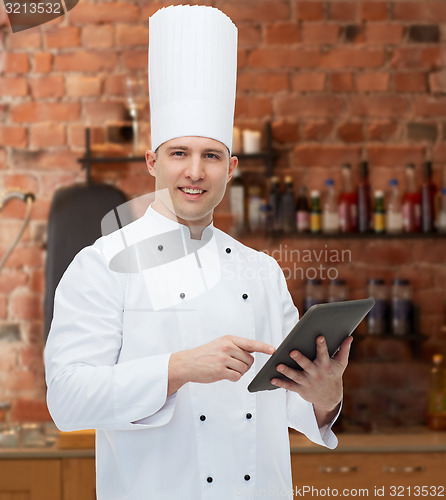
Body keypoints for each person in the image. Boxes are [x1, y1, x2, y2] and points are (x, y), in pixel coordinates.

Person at [44, 5, 352, 499]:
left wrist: (325, 395)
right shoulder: (101, 264)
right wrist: (180, 368)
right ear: (152, 162)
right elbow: (67, 400)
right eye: (178, 154)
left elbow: (297, 410)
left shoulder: (263, 272)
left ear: (229, 168)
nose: (194, 172)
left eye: (210, 156)